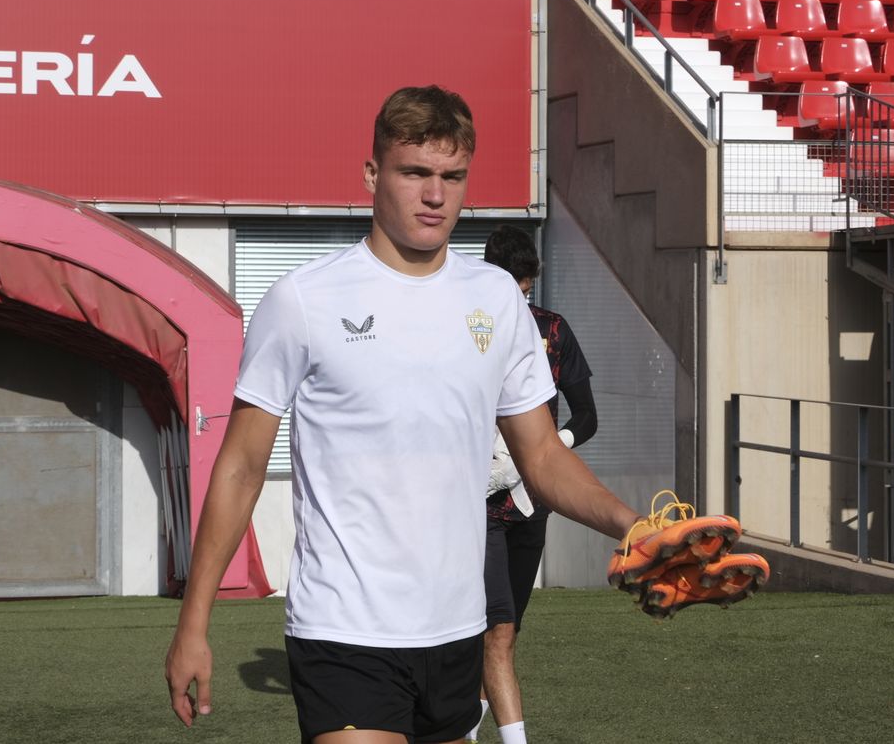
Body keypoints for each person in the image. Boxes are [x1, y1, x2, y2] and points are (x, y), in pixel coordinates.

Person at [164, 86, 644, 744]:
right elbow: (242, 467)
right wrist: (194, 624)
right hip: (344, 631)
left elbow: (542, 454)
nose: (435, 194)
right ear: (372, 175)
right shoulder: (303, 299)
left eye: (451, 177)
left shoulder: (496, 299)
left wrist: (633, 526)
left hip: (455, 632)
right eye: (415, 172)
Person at [467, 226, 598, 744]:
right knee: (493, 631)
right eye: (511, 288)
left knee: (507, 631)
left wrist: (542, 451)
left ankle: (466, 727)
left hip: (530, 500)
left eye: (525, 290)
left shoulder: (552, 330)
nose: (518, 300)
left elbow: (587, 416)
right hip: (477, 505)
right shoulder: (469, 328)